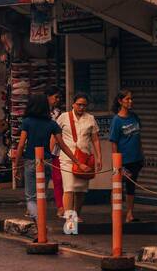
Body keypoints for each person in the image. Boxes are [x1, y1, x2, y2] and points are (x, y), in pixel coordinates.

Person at [13, 93, 74, 223]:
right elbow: (62, 145)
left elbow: (21, 144)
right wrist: (76, 161)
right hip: (47, 161)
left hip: (30, 160)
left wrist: (16, 164)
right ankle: (40, 224)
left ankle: (39, 223)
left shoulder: (27, 122)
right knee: (42, 195)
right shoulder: (52, 124)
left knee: (31, 197)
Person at [56, 93, 102, 225]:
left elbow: (95, 139)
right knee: (69, 187)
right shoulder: (63, 117)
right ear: (73, 104)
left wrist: (99, 157)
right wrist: (50, 151)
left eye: (84, 105)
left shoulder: (90, 119)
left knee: (81, 189)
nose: (81, 107)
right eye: (79, 104)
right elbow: (55, 135)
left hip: (85, 158)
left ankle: (76, 214)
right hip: (67, 157)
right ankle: (70, 219)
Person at [109, 90, 144, 223]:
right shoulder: (117, 120)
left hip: (136, 158)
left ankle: (130, 213)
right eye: (127, 99)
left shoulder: (134, 117)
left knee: (131, 187)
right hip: (123, 160)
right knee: (117, 186)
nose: (130, 102)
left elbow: (138, 137)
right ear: (120, 101)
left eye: (131, 99)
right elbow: (114, 142)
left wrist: (142, 154)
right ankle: (116, 213)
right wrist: (118, 163)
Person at [47, 86, 65, 216]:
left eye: (59, 97)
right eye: (55, 97)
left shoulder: (60, 113)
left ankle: (61, 206)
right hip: (41, 147)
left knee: (58, 179)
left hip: (56, 149)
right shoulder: (41, 113)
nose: (57, 100)